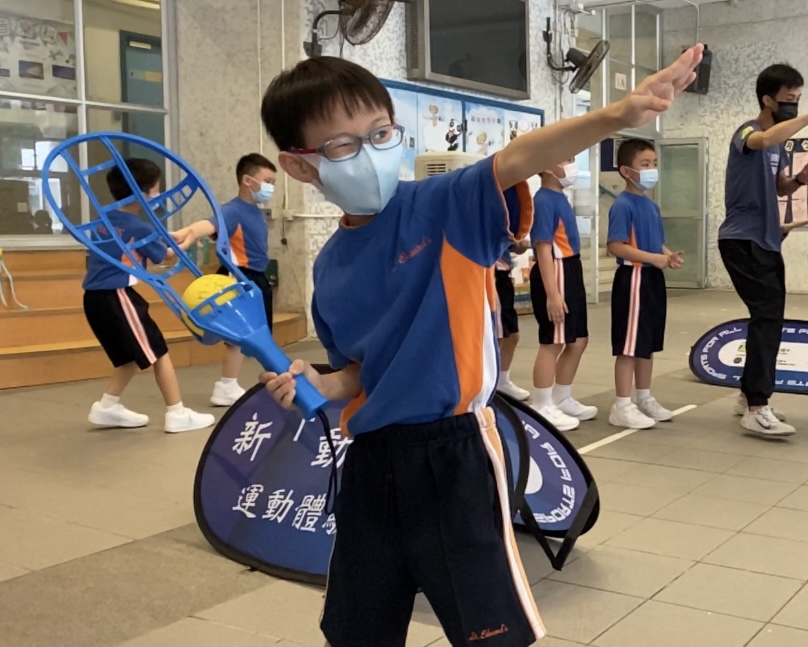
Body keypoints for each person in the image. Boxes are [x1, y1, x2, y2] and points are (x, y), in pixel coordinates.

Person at [257, 46, 705, 647]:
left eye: (381, 133)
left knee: (490, 634)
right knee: (358, 629)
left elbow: (519, 157)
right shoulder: (329, 269)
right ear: (300, 166)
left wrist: (615, 116)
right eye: (342, 145)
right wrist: (319, 383)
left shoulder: (444, 206)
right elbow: (359, 373)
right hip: (369, 463)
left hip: (455, 454)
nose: (371, 153)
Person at [718, 62, 808, 437]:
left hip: (767, 240)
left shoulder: (780, 144)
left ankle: (750, 395)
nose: (794, 105)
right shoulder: (747, 132)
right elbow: (762, 141)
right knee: (767, 316)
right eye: (789, 99)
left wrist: (799, 181)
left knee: (768, 317)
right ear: (768, 100)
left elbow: (779, 187)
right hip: (742, 239)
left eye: (799, 99)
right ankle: (756, 406)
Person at [83, 159, 215, 434]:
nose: (158, 195)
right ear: (141, 193)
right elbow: (163, 256)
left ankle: (107, 406)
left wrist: (162, 238)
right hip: (117, 296)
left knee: (129, 357)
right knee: (159, 351)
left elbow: (132, 245)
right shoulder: (139, 227)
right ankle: (177, 412)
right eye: (156, 190)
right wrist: (188, 240)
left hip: (95, 298)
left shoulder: (104, 221)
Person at [173, 153, 278, 407]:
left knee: (255, 336)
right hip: (239, 276)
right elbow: (208, 224)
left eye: (273, 183)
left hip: (257, 277)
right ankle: (231, 385)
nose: (271, 188)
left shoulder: (255, 212)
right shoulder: (233, 210)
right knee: (241, 337)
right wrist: (188, 232)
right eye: (267, 181)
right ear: (248, 180)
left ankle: (229, 385)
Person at [606, 138, 682, 429]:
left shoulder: (651, 206)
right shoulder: (622, 205)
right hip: (633, 278)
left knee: (646, 343)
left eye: (654, 164)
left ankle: (644, 397)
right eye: (645, 164)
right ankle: (622, 404)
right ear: (626, 171)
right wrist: (653, 258)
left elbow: (655, 241)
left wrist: (667, 255)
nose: (652, 169)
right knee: (629, 345)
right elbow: (616, 245)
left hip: (652, 278)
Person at [529, 156, 594, 431]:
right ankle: (542, 404)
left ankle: (561, 397)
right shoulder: (544, 199)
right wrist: (553, 294)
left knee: (578, 340)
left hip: (570, 268)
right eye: (565, 159)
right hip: (556, 270)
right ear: (546, 166)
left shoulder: (559, 197)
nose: (571, 164)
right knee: (553, 341)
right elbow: (543, 248)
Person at [495, 234, 532, 401]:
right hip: (491, 274)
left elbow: (514, 247)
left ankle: (502, 381)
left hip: (503, 276)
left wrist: (519, 245)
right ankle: (491, 383)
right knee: (498, 335)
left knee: (511, 334)